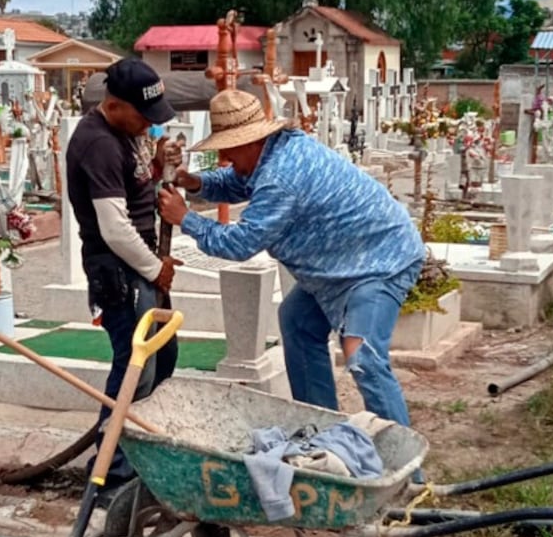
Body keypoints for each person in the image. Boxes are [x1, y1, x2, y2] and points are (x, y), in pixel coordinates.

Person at [157, 89, 426, 469]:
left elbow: (240, 243)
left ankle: (405, 470)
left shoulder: (281, 177)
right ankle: (320, 436)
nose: (227, 157)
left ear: (253, 139)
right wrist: (194, 182)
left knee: (363, 357)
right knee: (297, 321)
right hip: (341, 264)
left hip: (379, 262)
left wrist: (185, 218)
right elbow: (238, 181)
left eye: (231, 149)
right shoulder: (275, 151)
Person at [66, 57, 184, 491]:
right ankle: (112, 477)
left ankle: (137, 458)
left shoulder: (122, 134)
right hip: (119, 273)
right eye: (142, 117)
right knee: (137, 369)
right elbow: (114, 228)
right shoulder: (97, 142)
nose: (147, 125)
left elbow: (133, 188)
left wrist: (154, 168)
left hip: (140, 270)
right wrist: (157, 269)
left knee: (162, 359)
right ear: (114, 105)